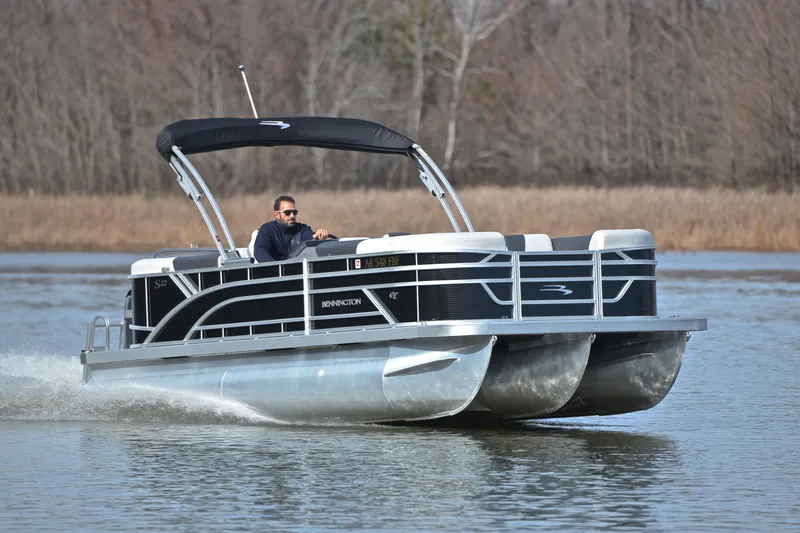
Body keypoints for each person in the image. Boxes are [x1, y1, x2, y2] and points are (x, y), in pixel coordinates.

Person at [253, 195, 331, 262]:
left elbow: (310, 238)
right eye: (287, 213)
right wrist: (275, 268)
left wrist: (318, 237)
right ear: (277, 215)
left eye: (294, 212)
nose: (292, 216)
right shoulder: (267, 230)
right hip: (276, 274)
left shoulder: (302, 229)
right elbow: (259, 251)